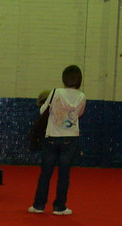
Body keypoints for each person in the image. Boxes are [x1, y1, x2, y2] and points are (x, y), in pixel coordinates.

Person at [29, 65, 85, 216]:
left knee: (45, 173)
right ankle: (59, 207)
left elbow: (42, 110)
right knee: (64, 175)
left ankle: (39, 205)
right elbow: (79, 114)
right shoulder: (81, 96)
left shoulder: (55, 92)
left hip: (52, 137)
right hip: (70, 138)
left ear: (64, 79)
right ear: (79, 80)